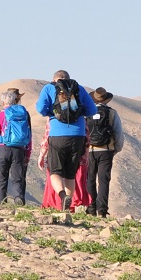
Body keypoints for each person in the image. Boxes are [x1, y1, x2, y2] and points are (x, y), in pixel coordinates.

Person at [36, 70, 98, 211]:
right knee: (71, 173)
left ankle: (63, 196)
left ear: (54, 80)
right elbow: (92, 110)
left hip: (58, 134)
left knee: (55, 171)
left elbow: (40, 108)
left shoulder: (49, 88)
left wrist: (52, 113)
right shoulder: (79, 88)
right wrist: (78, 113)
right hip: (78, 135)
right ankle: (67, 208)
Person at [0, 88, 31, 205]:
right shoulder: (24, 114)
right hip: (19, 150)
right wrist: (28, 153)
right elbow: (29, 136)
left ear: (4, 102)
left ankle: (1, 203)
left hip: (3, 149)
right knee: (17, 178)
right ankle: (18, 198)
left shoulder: (0, 115)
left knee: (1, 178)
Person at [84, 87, 123, 217]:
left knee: (90, 179)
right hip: (106, 150)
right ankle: (102, 210)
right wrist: (116, 148)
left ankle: (90, 207)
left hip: (90, 150)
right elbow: (118, 133)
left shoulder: (87, 113)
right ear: (106, 100)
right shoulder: (112, 113)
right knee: (104, 180)